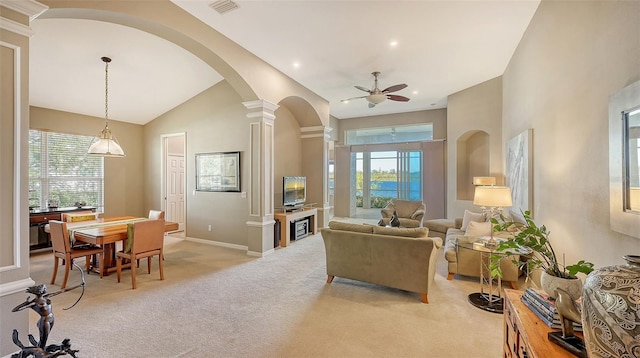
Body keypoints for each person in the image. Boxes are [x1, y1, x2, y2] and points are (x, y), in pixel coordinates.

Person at [12, 284, 62, 349]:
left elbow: (62, 291)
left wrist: (78, 285)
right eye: (44, 289)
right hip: (45, 322)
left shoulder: (46, 297)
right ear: (39, 292)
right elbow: (15, 310)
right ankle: (40, 353)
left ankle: (41, 349)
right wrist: (26, 303)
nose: (45, 289)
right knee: (43, 340)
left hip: (51, 318)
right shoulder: (34, 303)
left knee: (45, 338)